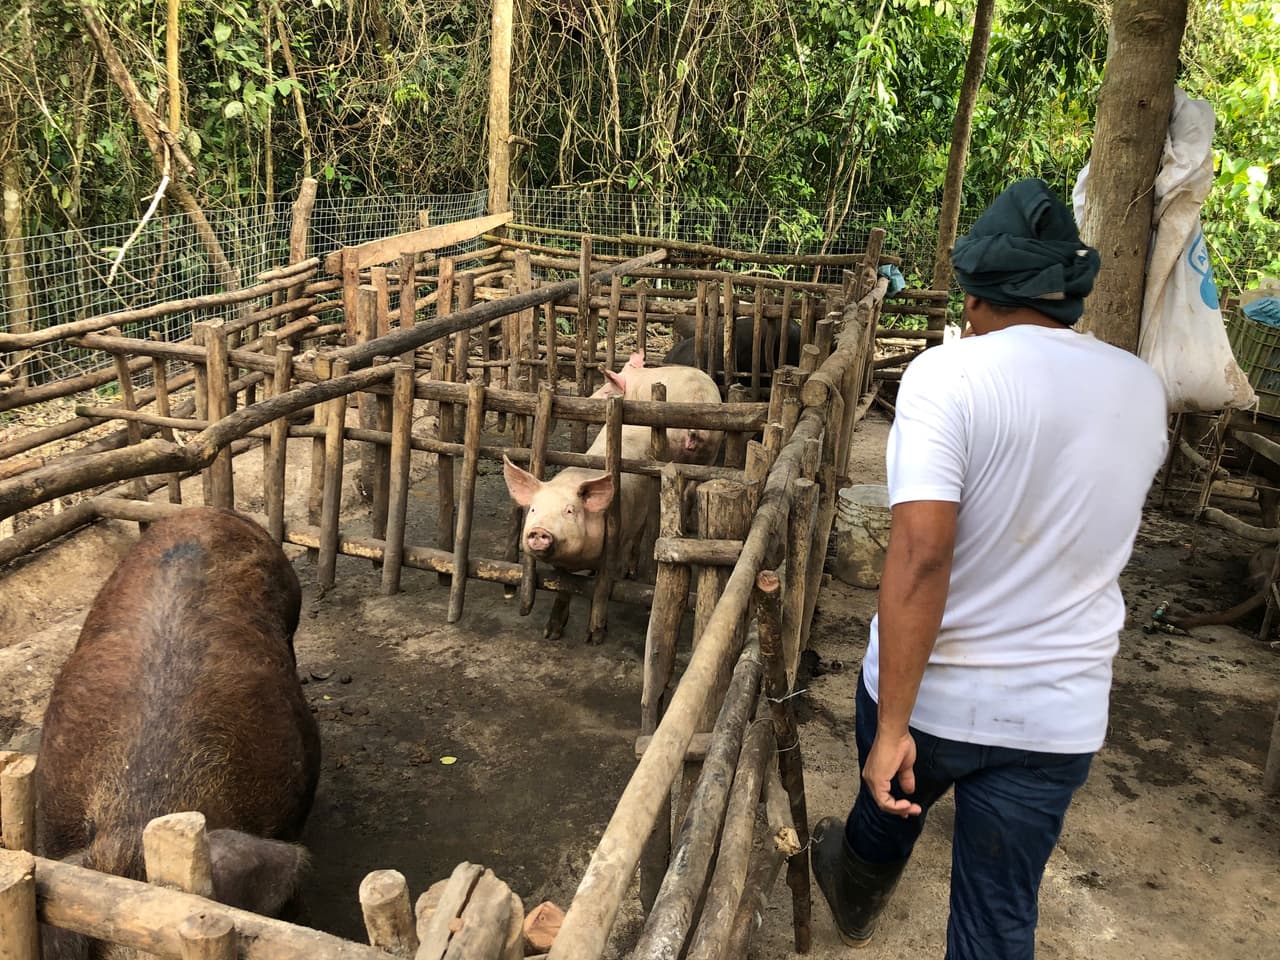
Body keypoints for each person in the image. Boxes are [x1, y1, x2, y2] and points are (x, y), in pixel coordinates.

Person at [811, 178, 1169, 958]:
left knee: (888, 800)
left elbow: (922, 555)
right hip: (1056, 711)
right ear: (1071, 294)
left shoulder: (948, 376)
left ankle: (855, 892)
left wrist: (894, 727)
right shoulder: (1142, 388)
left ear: (973, 296)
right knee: (999, 916)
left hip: (933, 697)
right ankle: (866, 879)